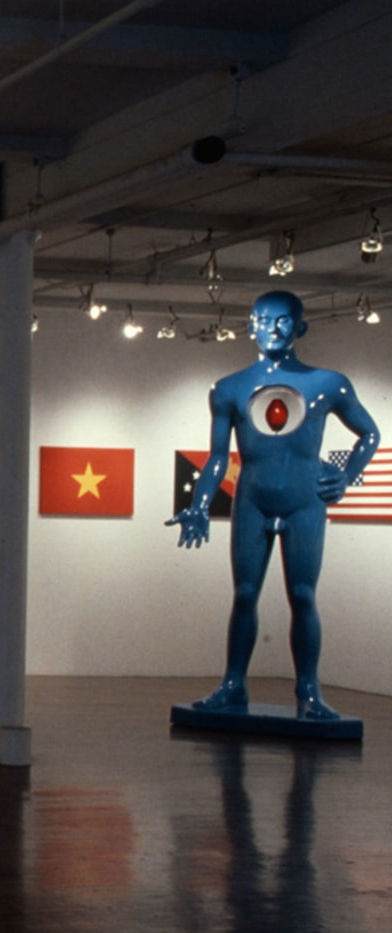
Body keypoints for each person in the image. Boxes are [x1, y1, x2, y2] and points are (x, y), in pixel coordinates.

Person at [168, 290, 380, 720]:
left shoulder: (328, 384)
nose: (274, 329)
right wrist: (200, 502)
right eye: (264, 320)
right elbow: (217, 457)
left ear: (301, 327)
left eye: (283, 320)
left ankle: (308, 690)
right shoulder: (229, 389)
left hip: (305, 501)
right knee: (245, 594)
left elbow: (369, 433)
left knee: (302, 595)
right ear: (250, 327)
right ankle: (233, 684)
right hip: (253, 499)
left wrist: (347, 475)